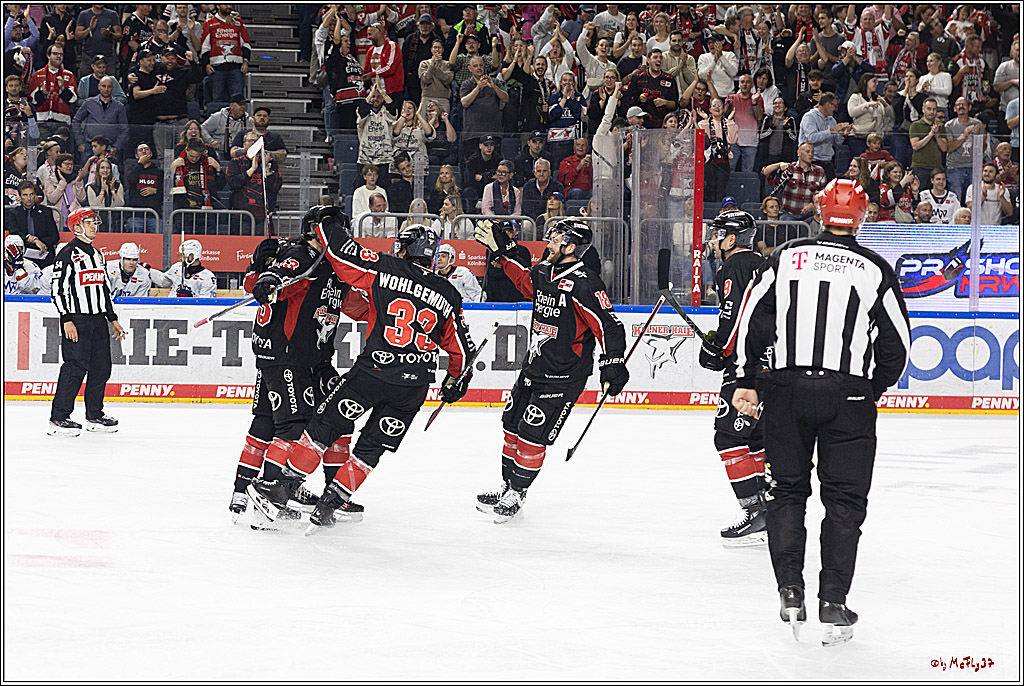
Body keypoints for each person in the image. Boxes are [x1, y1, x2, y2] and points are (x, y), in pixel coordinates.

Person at [727, 178, 911, 647]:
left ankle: (791, 591)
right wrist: (870, 389)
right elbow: (898, 346)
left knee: (787, 493)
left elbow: (752, 321)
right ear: (862, 217)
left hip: (786, 390)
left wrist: (747, 379)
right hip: (848, 395)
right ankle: (833, 601)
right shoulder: (874, 268)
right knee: (844, 501)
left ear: (819, 212)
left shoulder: (786, 256)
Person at [247, 216, 476, 532]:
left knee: (324, 425)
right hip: (413, 388)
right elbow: (462, 350)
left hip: (373, 374)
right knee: (371, 448)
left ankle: (284, 487)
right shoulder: (448, 292)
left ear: (404, 249)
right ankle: (331, 504)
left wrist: (327, 223)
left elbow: (342, 253)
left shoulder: (386, 268)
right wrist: (456, 381)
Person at [473, 217, 627, 522]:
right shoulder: (544, 271)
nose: (549, 244)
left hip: (564, 376)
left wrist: (612, 363)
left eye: (555, 240)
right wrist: (504, 251)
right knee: (511, 425)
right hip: (534, 368)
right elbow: (524, 280)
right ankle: (507, 486)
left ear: (571, 247)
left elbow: (609, 325)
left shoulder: (585, 283)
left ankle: (518, 492)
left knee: (533, 434)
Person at [230, 212, 370, 523]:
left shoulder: (334, 267)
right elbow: (277, 279)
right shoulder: (302, 255)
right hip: (288, 358)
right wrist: (266, 277)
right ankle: (270, 494)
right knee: (292, 426)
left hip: (313, 361)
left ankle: (331, 497)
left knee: (335, 420)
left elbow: (357, 308)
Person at [698, 210, 768, 546]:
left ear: (731, 239)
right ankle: (768, 509)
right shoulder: (764, 265)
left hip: (749, 366)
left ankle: (756, 512)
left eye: (717, 234)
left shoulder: (734, 266)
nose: (713, 240)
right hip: (774, 364)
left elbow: (737, 314)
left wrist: (720, 348)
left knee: (727, 438)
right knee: (756, 438)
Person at [48, 207, 127, 436]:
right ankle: (58, 418)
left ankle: (94, 414)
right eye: (89, 222)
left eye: (94, 222)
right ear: (77, 227)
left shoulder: (97, 254)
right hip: (77, 320)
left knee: (102, 367)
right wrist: (66, 319)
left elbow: (104, 289)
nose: (94, 226)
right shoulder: (67, 253)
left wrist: (112, 318)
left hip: (98, 320)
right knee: (74, 368)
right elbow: (57, 290)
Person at [228, 130, 282, 233]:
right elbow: (234, 183)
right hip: (241, 215)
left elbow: (276, 186)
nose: (253, 143)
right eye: (250, 141)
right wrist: (252, 169)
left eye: (256, 141)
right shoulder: (236, 162)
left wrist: (266, 168)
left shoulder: (270, 162)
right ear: (244, 144)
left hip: (262, 215)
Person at [200, 4, 251, 114]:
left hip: (236, 67)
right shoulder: (209, 22)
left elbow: (246, 43)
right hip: (216, 68)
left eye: (230, 4)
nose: (229, 6)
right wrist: (206, 64)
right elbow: (205, 45)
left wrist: (246, 61)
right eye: (225, 4)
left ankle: (237, 122)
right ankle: (217, 123)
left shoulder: (238, 21)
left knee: (238, 99)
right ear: (218, 6)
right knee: (217, 100)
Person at [761, 142, 827, 222]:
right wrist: (779, 164)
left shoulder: (819, 171)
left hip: (809, 216)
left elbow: (823, 194)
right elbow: (764, 172)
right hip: (788, 214)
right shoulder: (789, 168)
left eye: (812, 152)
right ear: (798, 152)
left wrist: (812, 204)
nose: (810, 154)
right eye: (807, 151)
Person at [27, 43, 78, 138]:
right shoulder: (38, 75)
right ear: (48, 55)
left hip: (62, 122)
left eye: (61, 54)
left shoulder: (69, 75)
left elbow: (73, 99)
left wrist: (63, 88)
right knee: (43, 146)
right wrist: (41, 93)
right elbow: (32, 100)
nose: (58, 56)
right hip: (42, 121)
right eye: (55, 54)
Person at [5, 181, 60, 268]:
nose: (29, 198)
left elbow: (55, 237)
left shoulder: (46, 212)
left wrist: (40, 241)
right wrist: (33, 240)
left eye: (31, 194)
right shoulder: (13, 213)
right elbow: (14, 233)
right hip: (23, 256)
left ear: (35, 195)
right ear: (19, 196)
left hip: (44, 255)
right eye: (25, 195)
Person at [798, 92, 850, 180]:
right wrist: (832, 131)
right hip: (811, 161)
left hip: (827, 162)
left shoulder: (832, 120)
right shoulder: (809, 117)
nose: (836, 109)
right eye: (835, 106)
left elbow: (837, 143)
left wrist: (842, 134)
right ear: (828, 104)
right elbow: (811, 138)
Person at [943, 97, 985, 203]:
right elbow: (949, 148)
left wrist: (977, 137)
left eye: (964, 104)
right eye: (958, 104)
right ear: (954, 109)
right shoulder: (949, 125)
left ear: (969, 107)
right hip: (955, 168)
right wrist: (964, 136)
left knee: (973, 200)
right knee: (955, 200)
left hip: (973, 167)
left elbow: (983, 148)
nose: (961, 106)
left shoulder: (978, 124)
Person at [908, 97, 948, 193]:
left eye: (934, 109)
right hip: (920, 167)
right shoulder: (915, 125)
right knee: (919, 194)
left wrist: (937, 135)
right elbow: (915, 146)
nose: (932, 112)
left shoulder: (941, 126)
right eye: (929, 109)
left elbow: (944, 148)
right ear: (923, 109)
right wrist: (930, 134)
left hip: (936, 168)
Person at [124, 142, 162, 231]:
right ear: (136, 156)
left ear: (151, 154)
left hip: (154, 215)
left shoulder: (159, 172)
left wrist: (155, 191)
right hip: (136, 215)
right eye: (141, 150)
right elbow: (130, 181)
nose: (144, 151)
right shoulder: (131, 169)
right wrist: (140, 164)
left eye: (146, 149)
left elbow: (165, 192)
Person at [522, 157, 564, 222]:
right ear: (535, 173)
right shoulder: (528, 186)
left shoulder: (558, 187)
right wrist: (539, 220)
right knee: (526, 223)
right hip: (532, 220)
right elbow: (527, 209)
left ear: (549, 172)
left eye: (544, 171)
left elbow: (560, 207)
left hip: (551, 218)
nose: (541, 174)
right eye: (539, 171)